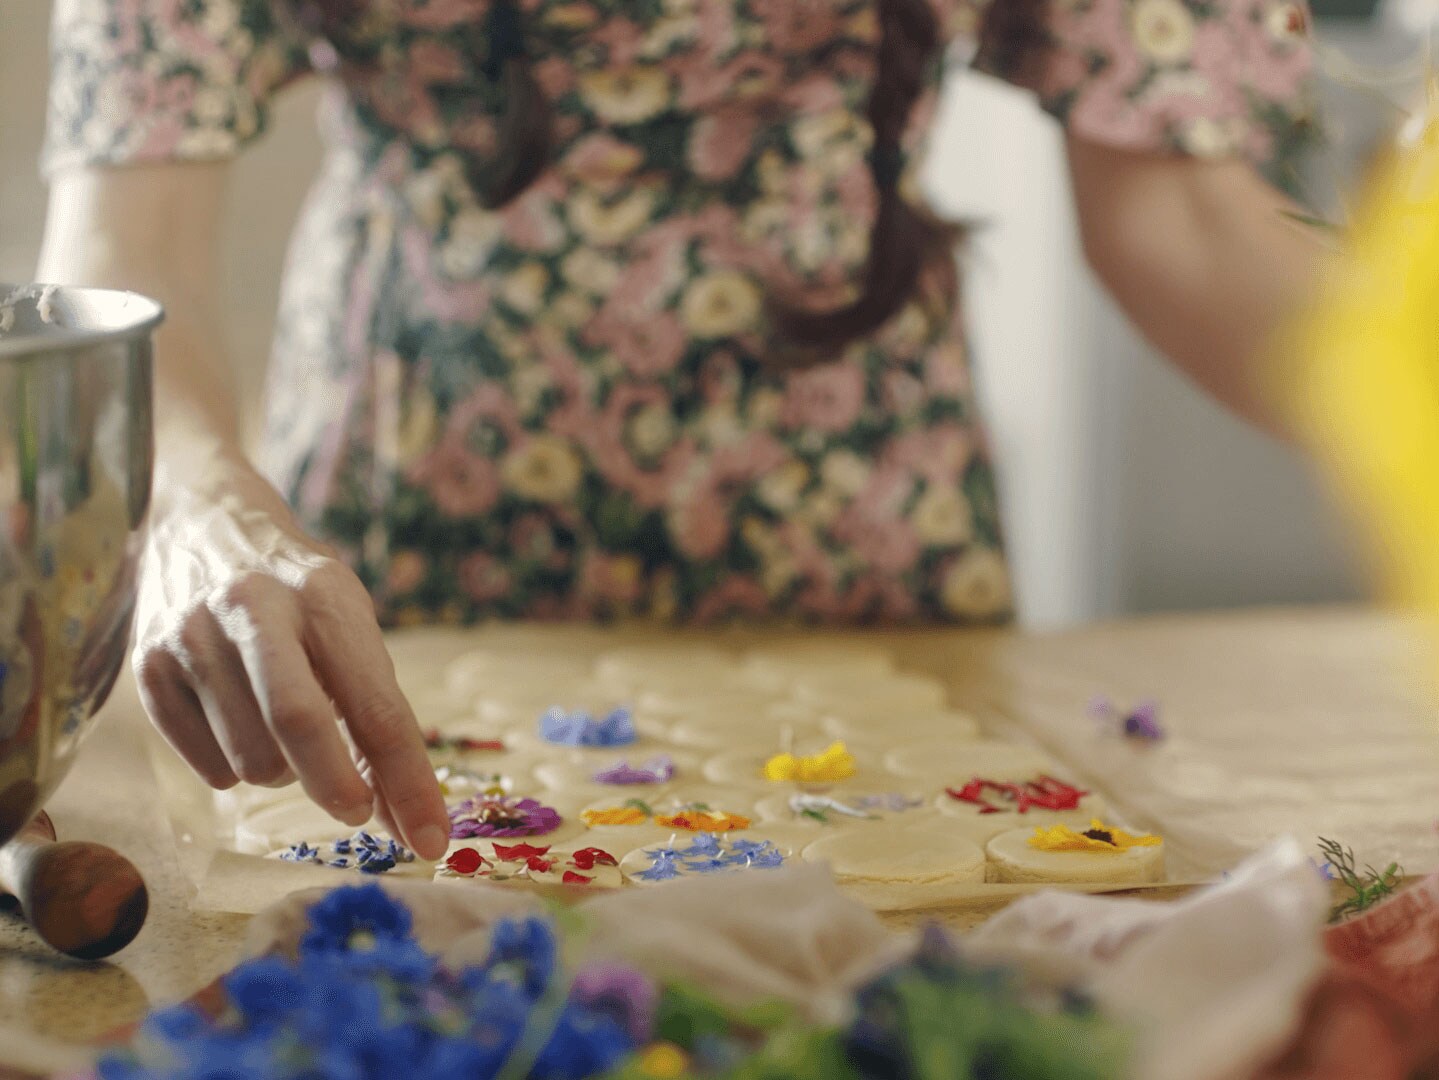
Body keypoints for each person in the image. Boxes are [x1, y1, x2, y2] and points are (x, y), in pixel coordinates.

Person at [37, 0, 1326, 861]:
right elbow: (124, 242)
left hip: (870, 547)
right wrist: (201, 512)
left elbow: (1186, 222)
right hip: (397, 551)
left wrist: (1405, 403)